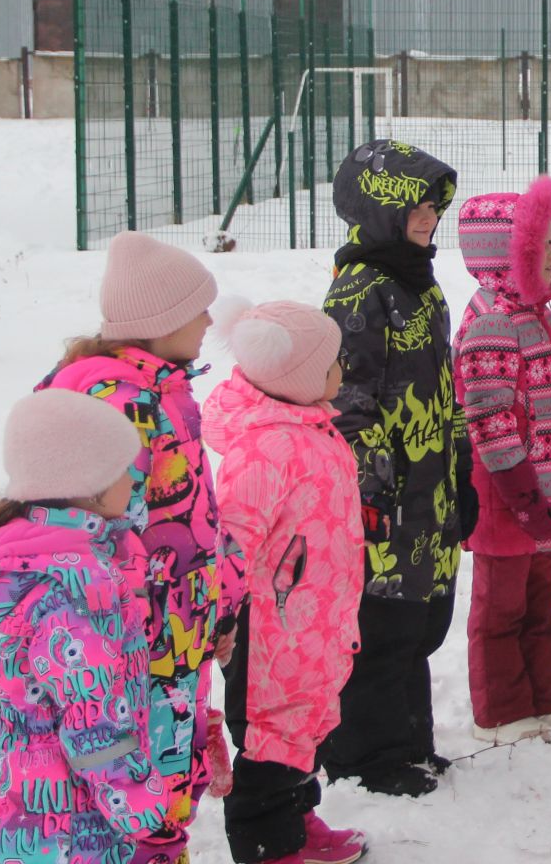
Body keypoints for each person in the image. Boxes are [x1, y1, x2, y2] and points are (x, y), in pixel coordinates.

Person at [40, 230, 223, 863]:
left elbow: (194, 511)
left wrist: (218, 599)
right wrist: (148, 624)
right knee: (139, 781)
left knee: (175, 768)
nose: (207, 320)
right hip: (137, 640)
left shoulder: (166, 390)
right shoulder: (119, 404)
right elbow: (103, 536)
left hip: (179, 626)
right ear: (159, 320)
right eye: (196, 308)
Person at [0, 390, 174, 864]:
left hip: (23, 785)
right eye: (125, 469)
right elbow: (94, 720)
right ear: (88, 484)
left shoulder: (33, 555)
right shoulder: (76, 589)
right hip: (74, 809)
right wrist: (137, 802)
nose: (135, 480)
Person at [318, 139, 469, 797]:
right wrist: (368, 489)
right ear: (378, 209)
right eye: (416, 204)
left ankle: (408, 740)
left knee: (420, 623)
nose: (429, 215)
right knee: (380, 630)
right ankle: (364, 756)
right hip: (388, 496)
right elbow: (347, 404)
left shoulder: (418, 283)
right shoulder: (360, 290)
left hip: (431, 489)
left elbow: (444, 383)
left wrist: (461, 469)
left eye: (435, 204)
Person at [204, 301, 367, 864]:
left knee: (306, 727)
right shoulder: (263, 448)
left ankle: (298, 818)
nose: (341, 371)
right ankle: (269, 847)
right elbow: (234, 541)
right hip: (269, 631)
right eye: (332, 363)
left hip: (316, 618)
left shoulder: (312, 427)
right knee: (269, 744)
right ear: (296, 378)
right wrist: (225, 617)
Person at [455, 176, 551, 744]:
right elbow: (490, 419)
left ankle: (540, 702)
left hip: (543, 489)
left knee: (539, 607)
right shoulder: (493, 321)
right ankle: (502, 714)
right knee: (499, 610)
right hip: (507, 494)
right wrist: (522, 491)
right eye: (545, 245)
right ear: (508, 255)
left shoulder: (535, 312)